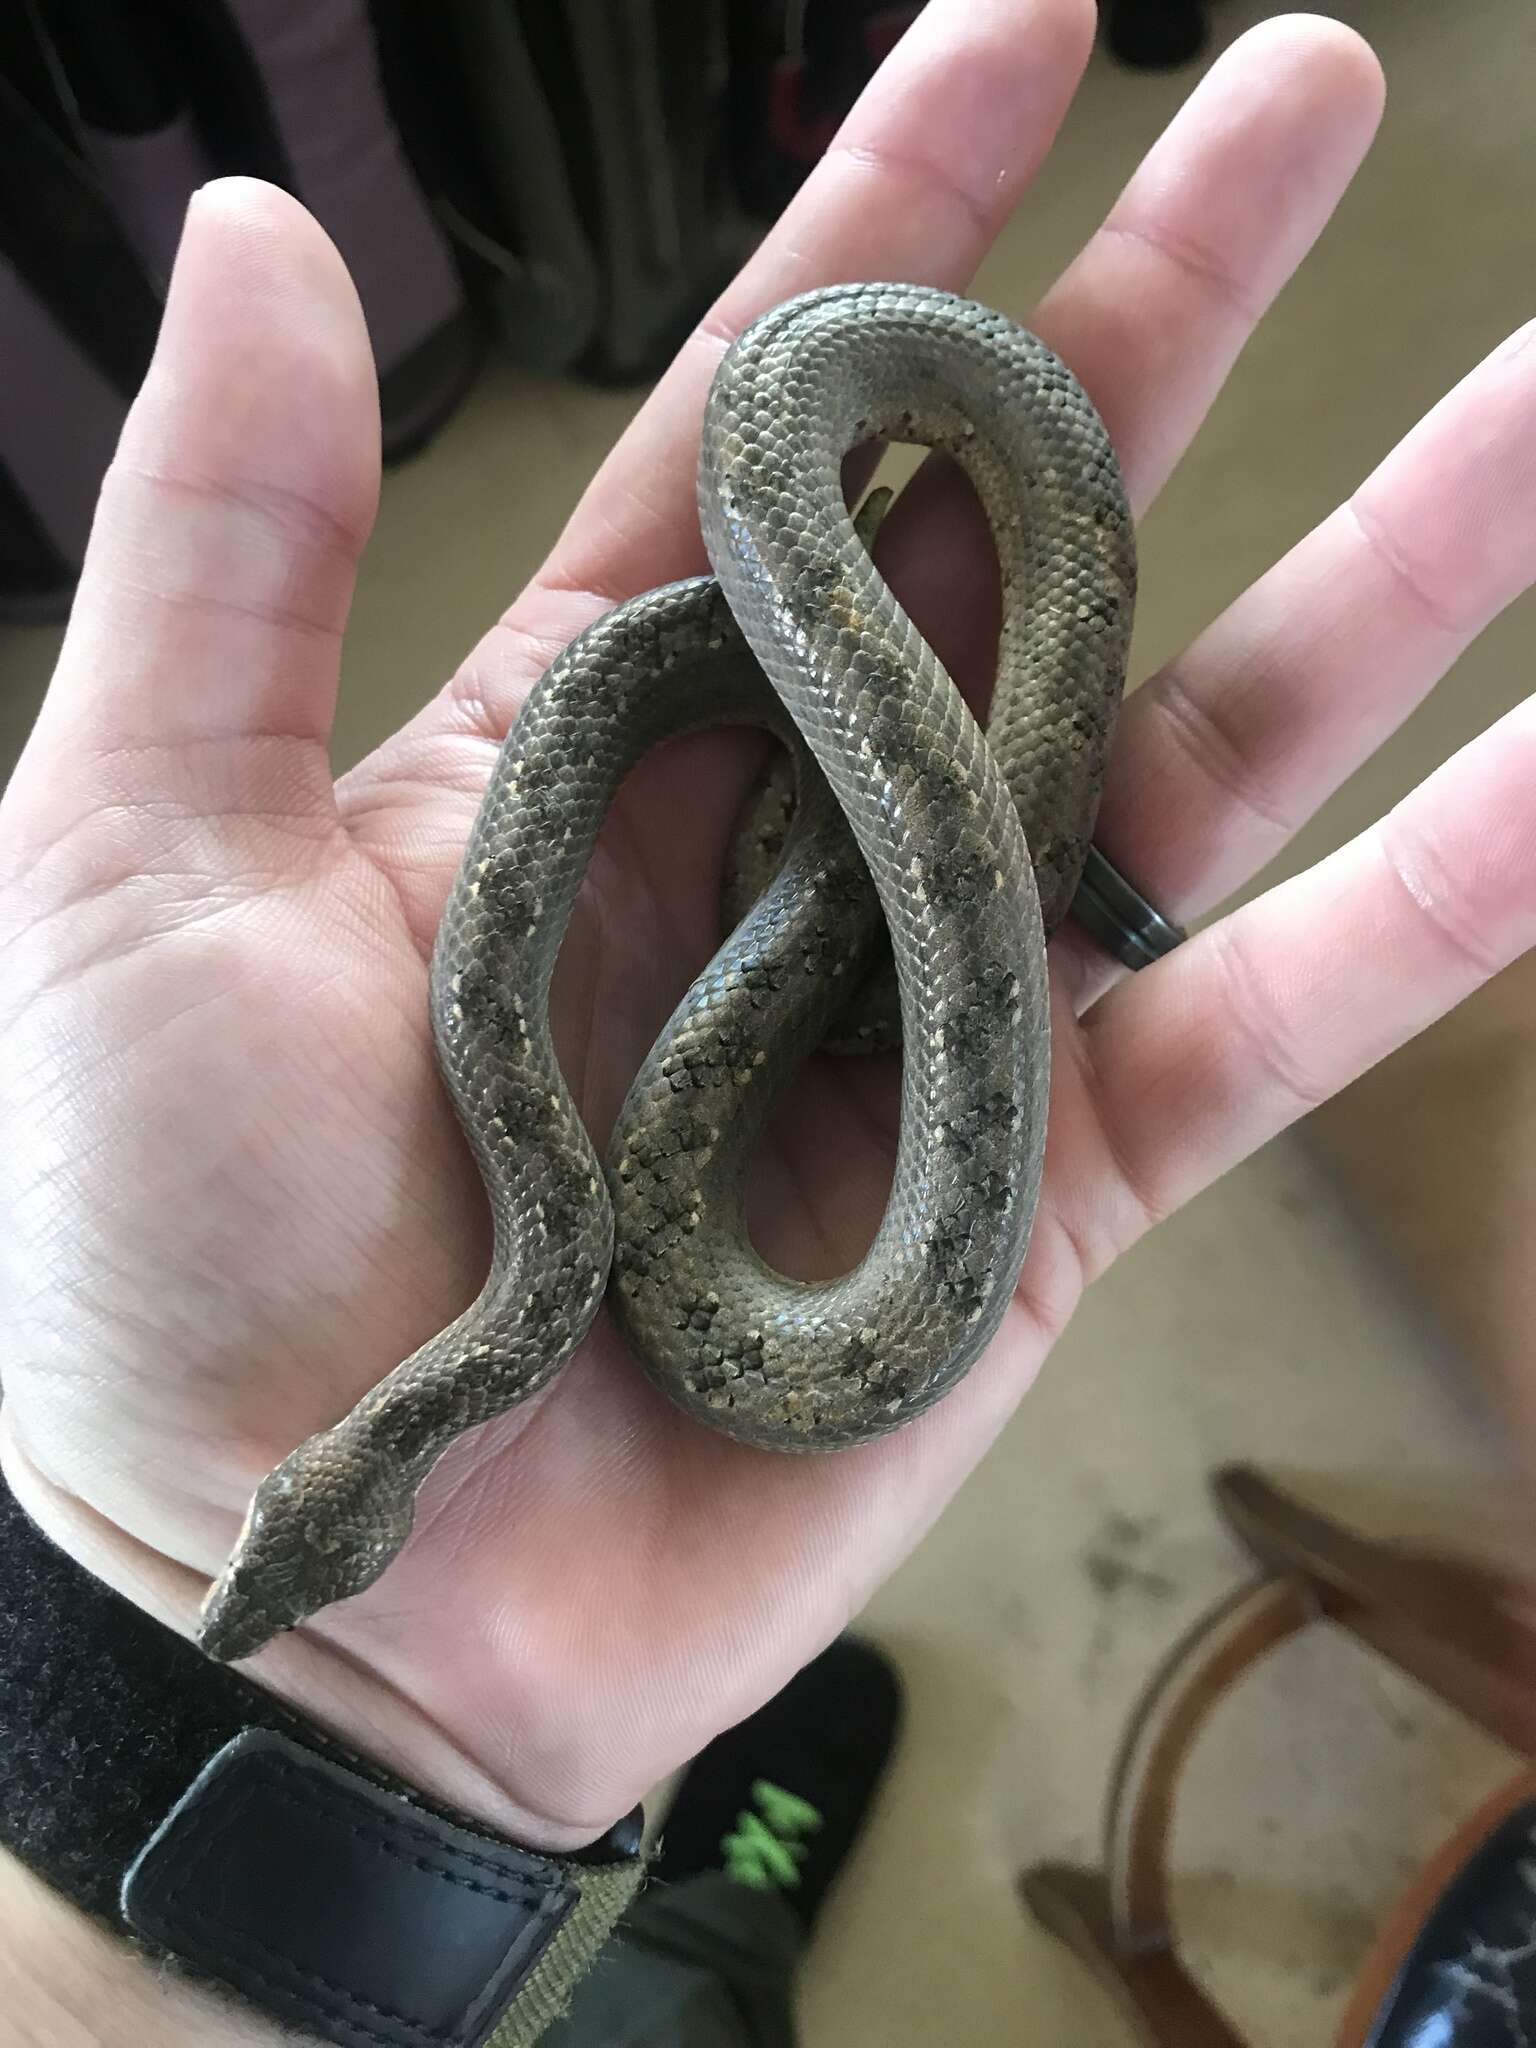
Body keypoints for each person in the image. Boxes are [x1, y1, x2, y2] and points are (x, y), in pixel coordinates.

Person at [3, 0, 1536, 2039]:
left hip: (884, 600)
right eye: (301, 1558)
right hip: (835, 939)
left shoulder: (580, 1201)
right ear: (342, 1477)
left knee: (854, 864)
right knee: (850, 884)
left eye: (295, 1540)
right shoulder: (568, 1238)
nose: (263, 1570)